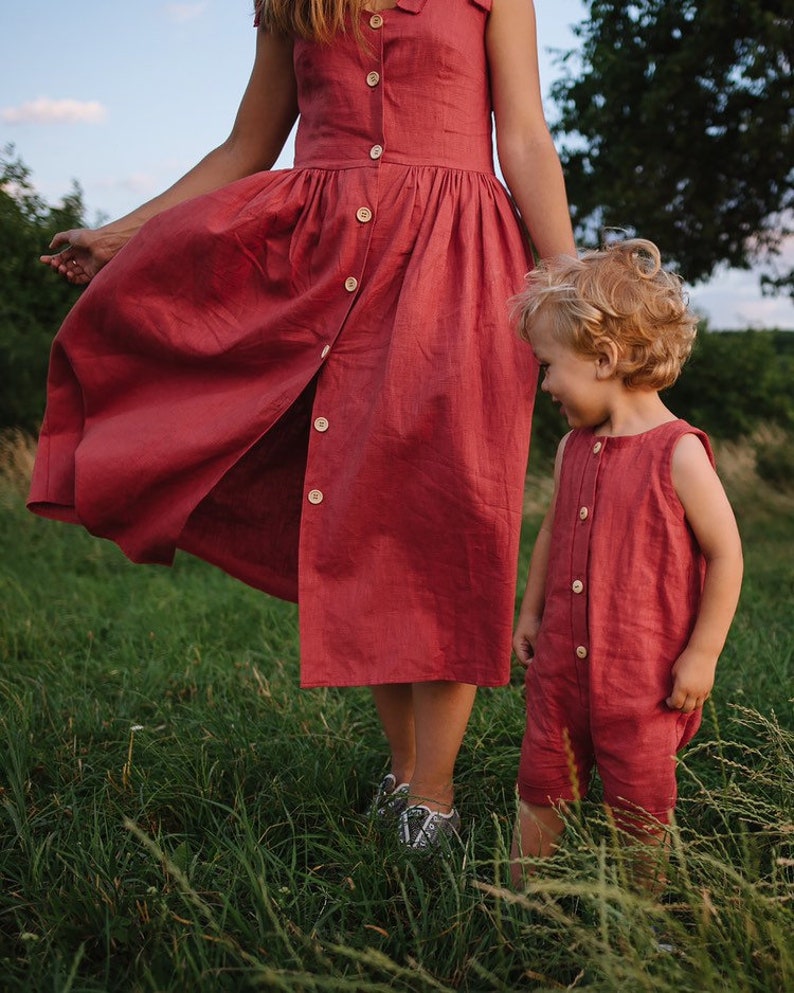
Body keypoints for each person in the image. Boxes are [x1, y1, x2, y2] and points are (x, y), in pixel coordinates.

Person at [29, 0, 576, 850]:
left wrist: (565, 279)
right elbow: (247, 145)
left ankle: (433, 797)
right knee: (363, 521)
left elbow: (527, 138)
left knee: (455, 515)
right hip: (326, 265)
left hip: (461, 266)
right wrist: (121, 237)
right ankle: (405, 776)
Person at [509, 238, 743, 885]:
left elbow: (727, 554)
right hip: (560, 672)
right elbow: (552, 535)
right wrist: (530, 612)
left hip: (641, 681)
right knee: (542, 780)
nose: (547, 383)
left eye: (549, 366)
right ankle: (526, 899)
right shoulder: (571, 448)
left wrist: (703, 653)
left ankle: (645, 916)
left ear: (604, 358)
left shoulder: (679, 452)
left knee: (641, 803)